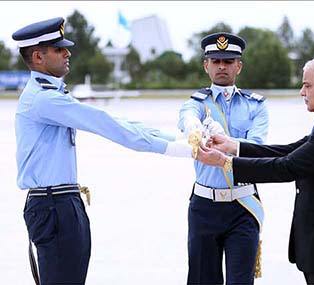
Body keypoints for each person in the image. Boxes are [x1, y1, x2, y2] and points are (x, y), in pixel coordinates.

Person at [13, 17, 192, 285]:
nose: (67, 53)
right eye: (59, 49)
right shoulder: (44, 99)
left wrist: (184, 140)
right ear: (38, 56)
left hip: (61, 201)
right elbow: (106, 125)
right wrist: (180, 150)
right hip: (53, 205)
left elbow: (117, 121)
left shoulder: (51, 93)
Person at [194, 56, 314, 284]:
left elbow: (287, 167)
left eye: (307, 85)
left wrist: (224, 162)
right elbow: (289, 151)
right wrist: (233, 146)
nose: (301, 92)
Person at [177, 32, 269, 284]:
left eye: (228, 61)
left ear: (238, 66)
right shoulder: (197, 102)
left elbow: (258, 147)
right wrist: (195, 130)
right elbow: (187, 119)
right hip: (204, 206)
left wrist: (228, 145)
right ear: (206, 65)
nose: (221, 66)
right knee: (202, 279)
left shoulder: (255, 105)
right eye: (215, 61)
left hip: (243, 205)